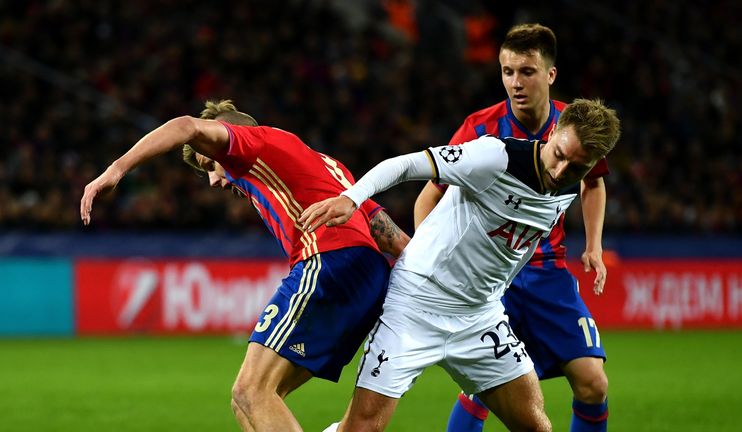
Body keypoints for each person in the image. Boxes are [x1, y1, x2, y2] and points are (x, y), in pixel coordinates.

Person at [80, 100, 410, 432]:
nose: (213, 180)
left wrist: (115, 170)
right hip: (369, 278)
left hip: (329, 263)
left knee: (250, 392)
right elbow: (390, 235)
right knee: (250, 400)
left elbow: (185, 126)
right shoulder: (326, 165)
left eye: (210, 163)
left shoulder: (253, 143)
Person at [300, 98, 621, 432]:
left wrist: (592, 244)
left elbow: (586, 190)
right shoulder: (495, 157)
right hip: (415, 307)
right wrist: (352, 198)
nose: (560, 172)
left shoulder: (572, 181)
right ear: (553, 131)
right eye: (559, 155)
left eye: (576, 168)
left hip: (480, 317)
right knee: (362, 428)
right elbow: (407, 165)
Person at [413, 24, 611, 432]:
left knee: (593, 384)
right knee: (482, 390)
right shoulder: (480, 129)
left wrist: (593, 244)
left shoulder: (572, 125)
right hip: (487, 281)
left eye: (526, 72)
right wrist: (425, 263)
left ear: (550, 75)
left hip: (545, 273)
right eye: (507, 72)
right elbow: (428, 196)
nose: (515, 83)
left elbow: (593, 181)